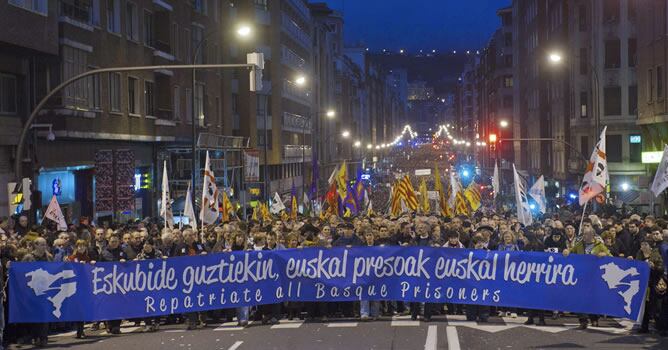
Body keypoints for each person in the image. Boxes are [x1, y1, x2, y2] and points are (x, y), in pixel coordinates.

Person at [563, 227, 610, 329]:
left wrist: (604, 254)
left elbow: (610, 256)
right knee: (579, 297)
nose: (584, 236)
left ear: (592, 235)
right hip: (581, 275)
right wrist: (567, 251)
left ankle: (594, 319)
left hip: (595, 276)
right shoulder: (580, 245)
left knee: (593, 298)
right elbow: (572, 251)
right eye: (583, 234)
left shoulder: (600, 245)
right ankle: (583, 320)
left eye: (586, 234)